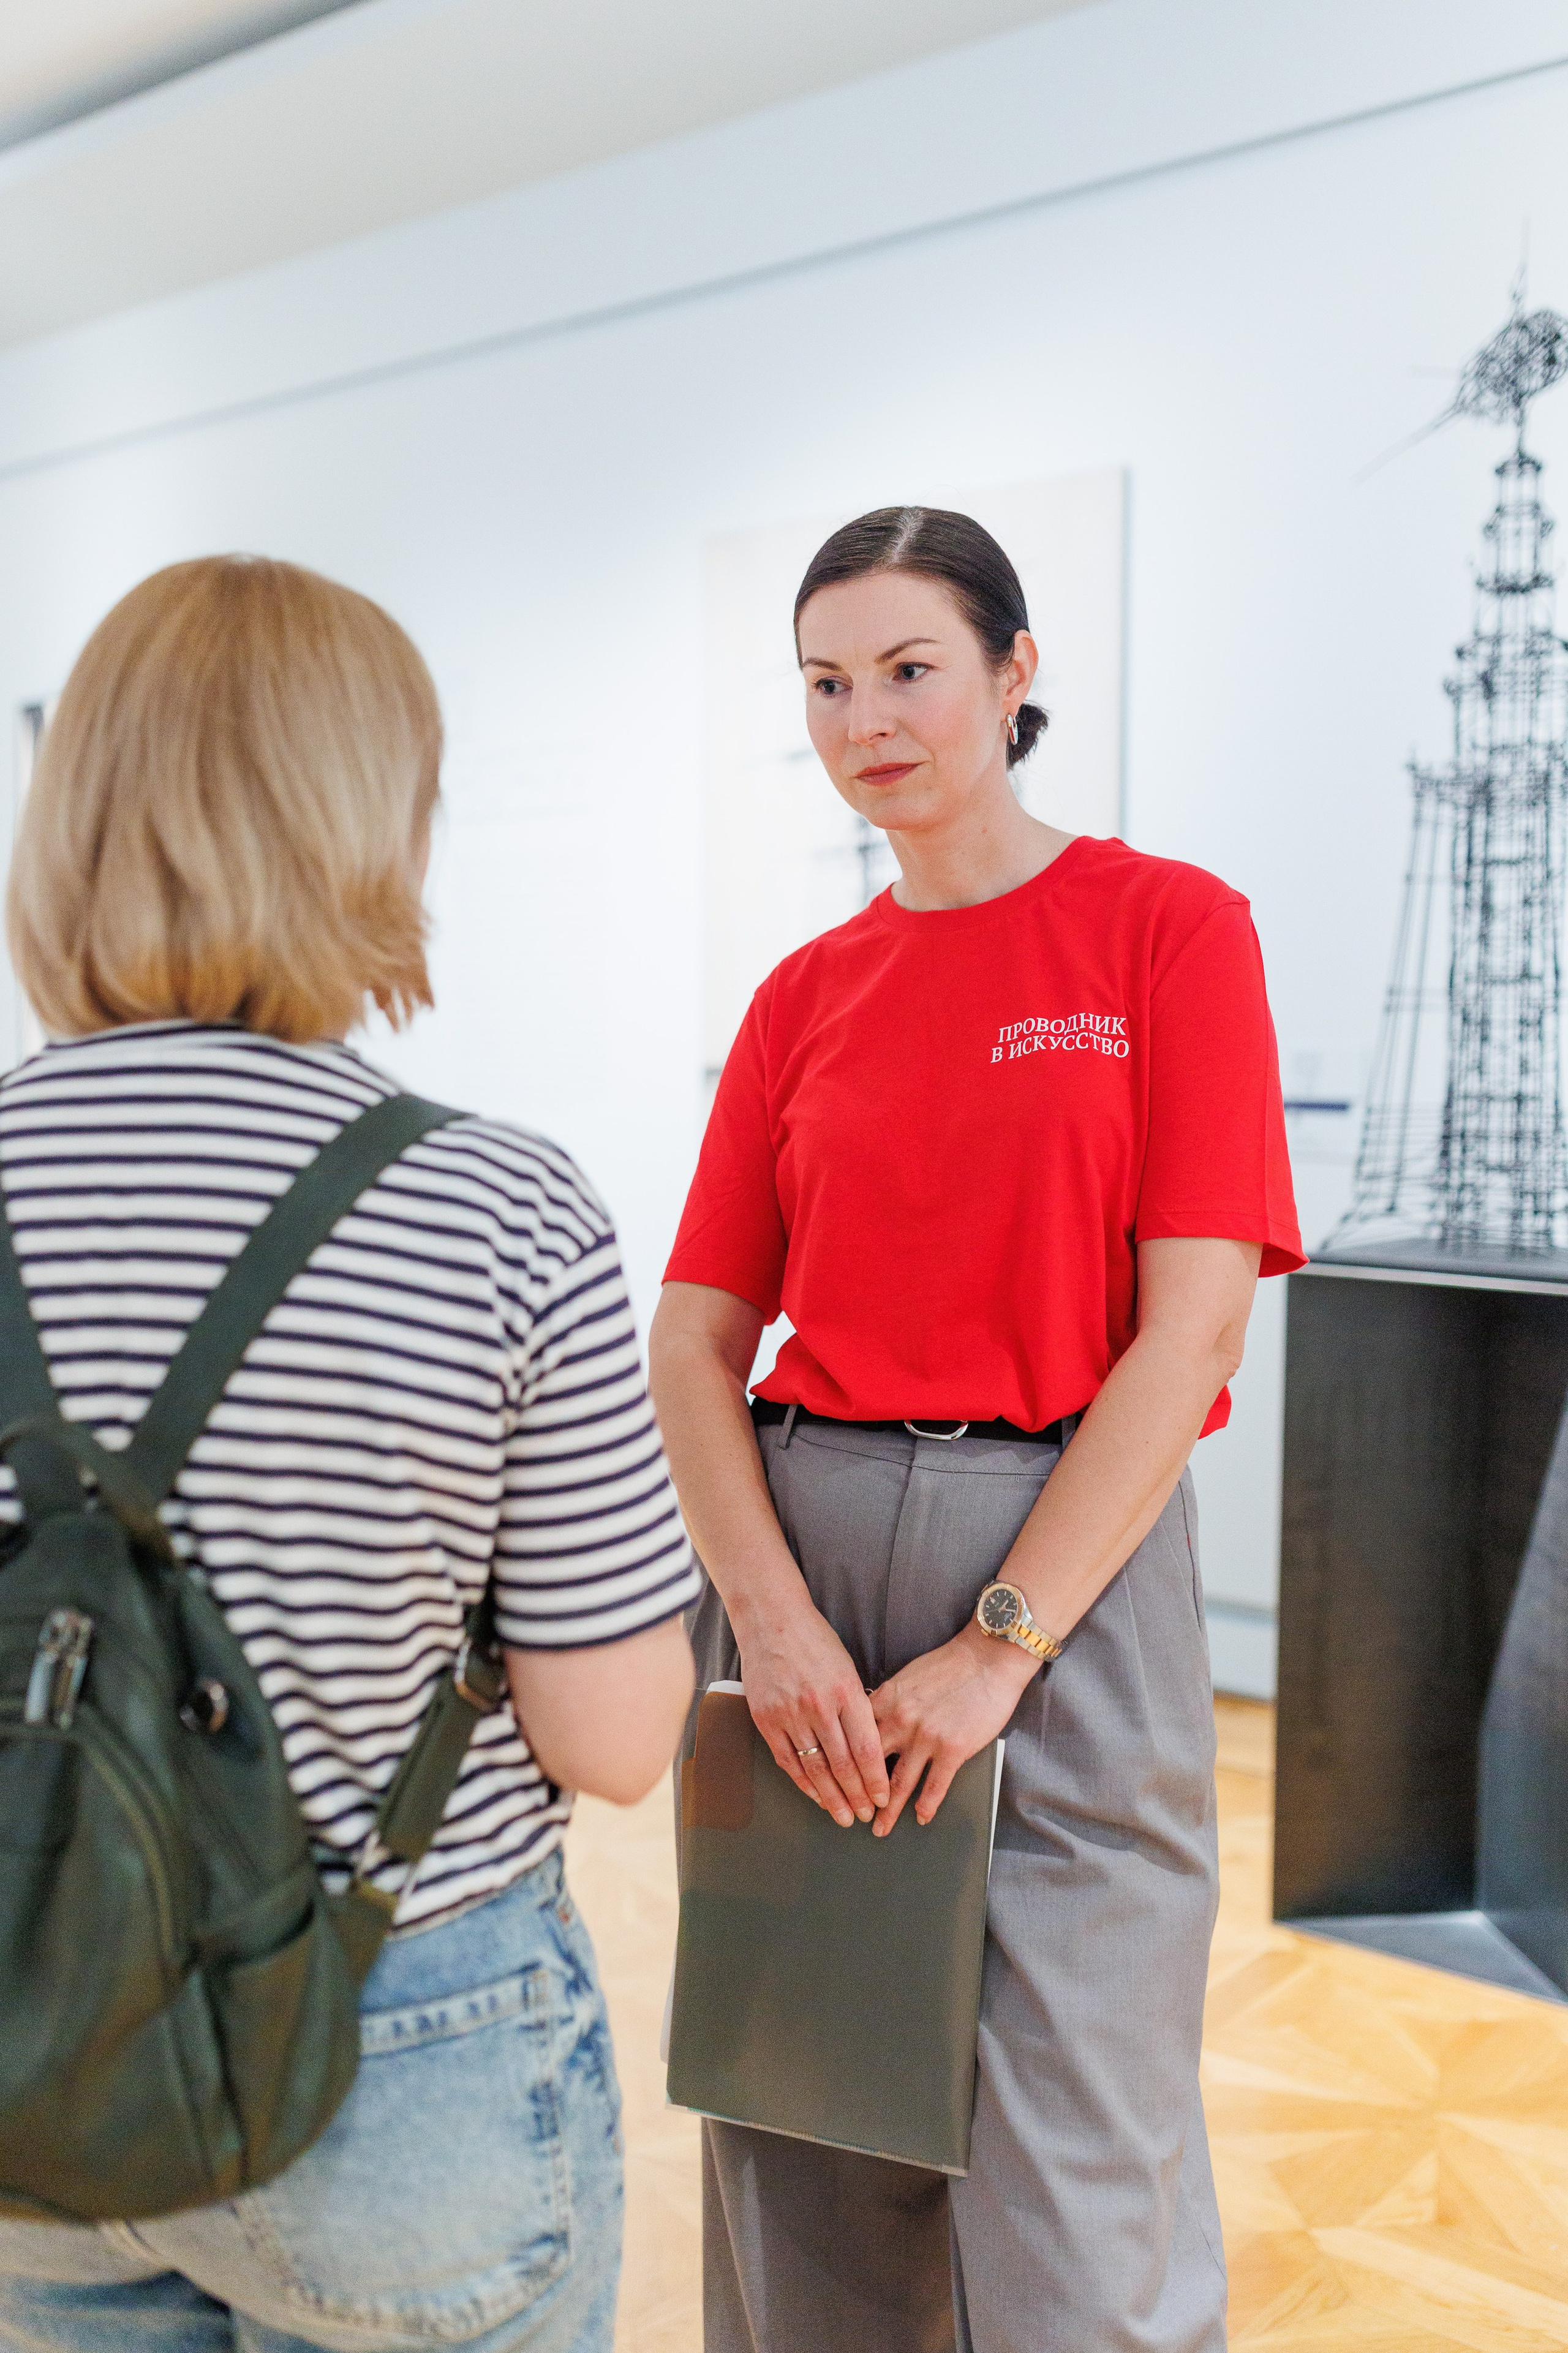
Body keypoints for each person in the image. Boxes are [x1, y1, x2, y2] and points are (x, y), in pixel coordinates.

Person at [0, 556, 697, 2353]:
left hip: (26, 2011)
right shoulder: (500, 1205)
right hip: (403, 2046)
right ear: (371, 828)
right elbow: (616, 1738)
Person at [650, 506, 1303, 2353]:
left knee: (1080, 2170)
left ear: (1015, 677)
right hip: (812, 1564)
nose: (869, 718)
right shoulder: (801, 997)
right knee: (806, 2136)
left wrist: (1003, 1641)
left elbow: (1188, 1333)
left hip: (1067, 1566)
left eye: (910, 669)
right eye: (827, 683)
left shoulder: (1168, 928)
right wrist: (769, 1621)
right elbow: (693, 1338)